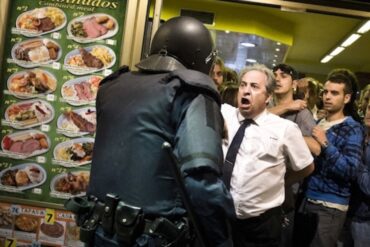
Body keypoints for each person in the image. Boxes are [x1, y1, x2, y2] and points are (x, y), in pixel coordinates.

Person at [67, 16, 235, 247]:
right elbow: (202, 181)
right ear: (203, 58)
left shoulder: (112, 87)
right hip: (153, 238)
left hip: (100, 231)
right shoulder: (193, 94)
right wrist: (221, 240)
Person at [221, 63, 314, 247]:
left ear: (268, 96)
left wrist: (281, 181)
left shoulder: (285, 129)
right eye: (243, 85)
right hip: (222, 219)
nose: (246, 91)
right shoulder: (224, 114)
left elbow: (307, 167)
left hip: (261, 225)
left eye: (254, 87)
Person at [294, 69, 364, 247]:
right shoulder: (319, 123)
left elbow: (351, 171)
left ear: (346, 98)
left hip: (330, 206)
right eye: (326, 92)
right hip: (307, 199)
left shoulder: (352, 128)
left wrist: (325, 144)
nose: (327, 97)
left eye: (334, 93)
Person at [269, 64, 320, 247]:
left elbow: (316, 147)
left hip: (286, 193)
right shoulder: (266, 106)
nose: (277, 78)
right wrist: (284, 108)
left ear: (294, 83)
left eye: (283, 76)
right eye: (275, 75)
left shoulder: (302, 113)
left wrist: (290, 133)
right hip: (260, 191)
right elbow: (251, 117)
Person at [349, 100, 370, 247]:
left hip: (364, 218)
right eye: (369, 108)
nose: (369, 112)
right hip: (348, 211)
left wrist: (354, 162)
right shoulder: (359, 133)